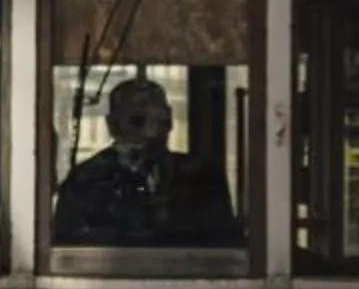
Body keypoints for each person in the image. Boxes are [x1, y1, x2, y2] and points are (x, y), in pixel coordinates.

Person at [49, 75, 245, 249]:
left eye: (159, 121)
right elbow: (67, 246)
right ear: (113, 125)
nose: (149, 133)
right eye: (137, 121)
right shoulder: (85, 180)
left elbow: (223, 245)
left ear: (170, 122)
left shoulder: (202, 177)